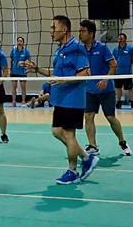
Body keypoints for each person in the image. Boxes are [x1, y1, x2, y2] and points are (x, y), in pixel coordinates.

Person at [24, 15, 99, 185]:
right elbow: (57, 73)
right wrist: (37, 69)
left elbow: (86, 73)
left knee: (69, 134)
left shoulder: (76, 48)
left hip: (72, 98)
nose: (51, 31)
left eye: (53, 27)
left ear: (64, 29)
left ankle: (73, 171)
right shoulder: (60, 49)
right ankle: (86, 158)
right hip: (60, 99)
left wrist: (65, 80)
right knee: (57, 131)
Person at [78, 20, 130, 156]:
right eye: (80, 31)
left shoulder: (102, 48)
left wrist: (105, 80)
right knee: (88, 116)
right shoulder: (80, 50)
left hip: (106, 90)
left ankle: (122, 142)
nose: (80, 33)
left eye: (83, 31)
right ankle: (93, 146)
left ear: (91, 33)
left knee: (110, 117)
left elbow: (114, 65)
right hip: (89, 90)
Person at [112, 33, 133, 110]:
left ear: (125, 39)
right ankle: (118, 102)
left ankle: (132, 102)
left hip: (127, 72)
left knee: (130, 88)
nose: (120, 40)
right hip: (118, 72)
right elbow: (113, 60)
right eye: (119, 38)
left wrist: (127, 64)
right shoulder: (115, 49)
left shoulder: (130, 48)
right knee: (118, 88)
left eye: (121, 38)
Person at [9, 37, 31, 108]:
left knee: (23, 87)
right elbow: (10, 61)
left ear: (23, 43)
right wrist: (10, 70)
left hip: (23, 72)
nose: (19, 42)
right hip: (14, 71)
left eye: (21, 41)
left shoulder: (26, 51)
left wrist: (23, 62)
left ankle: (23, 101)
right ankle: (13, 101)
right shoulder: (13, 51)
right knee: (14, 87)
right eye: (18, 41)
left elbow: (29, 61)